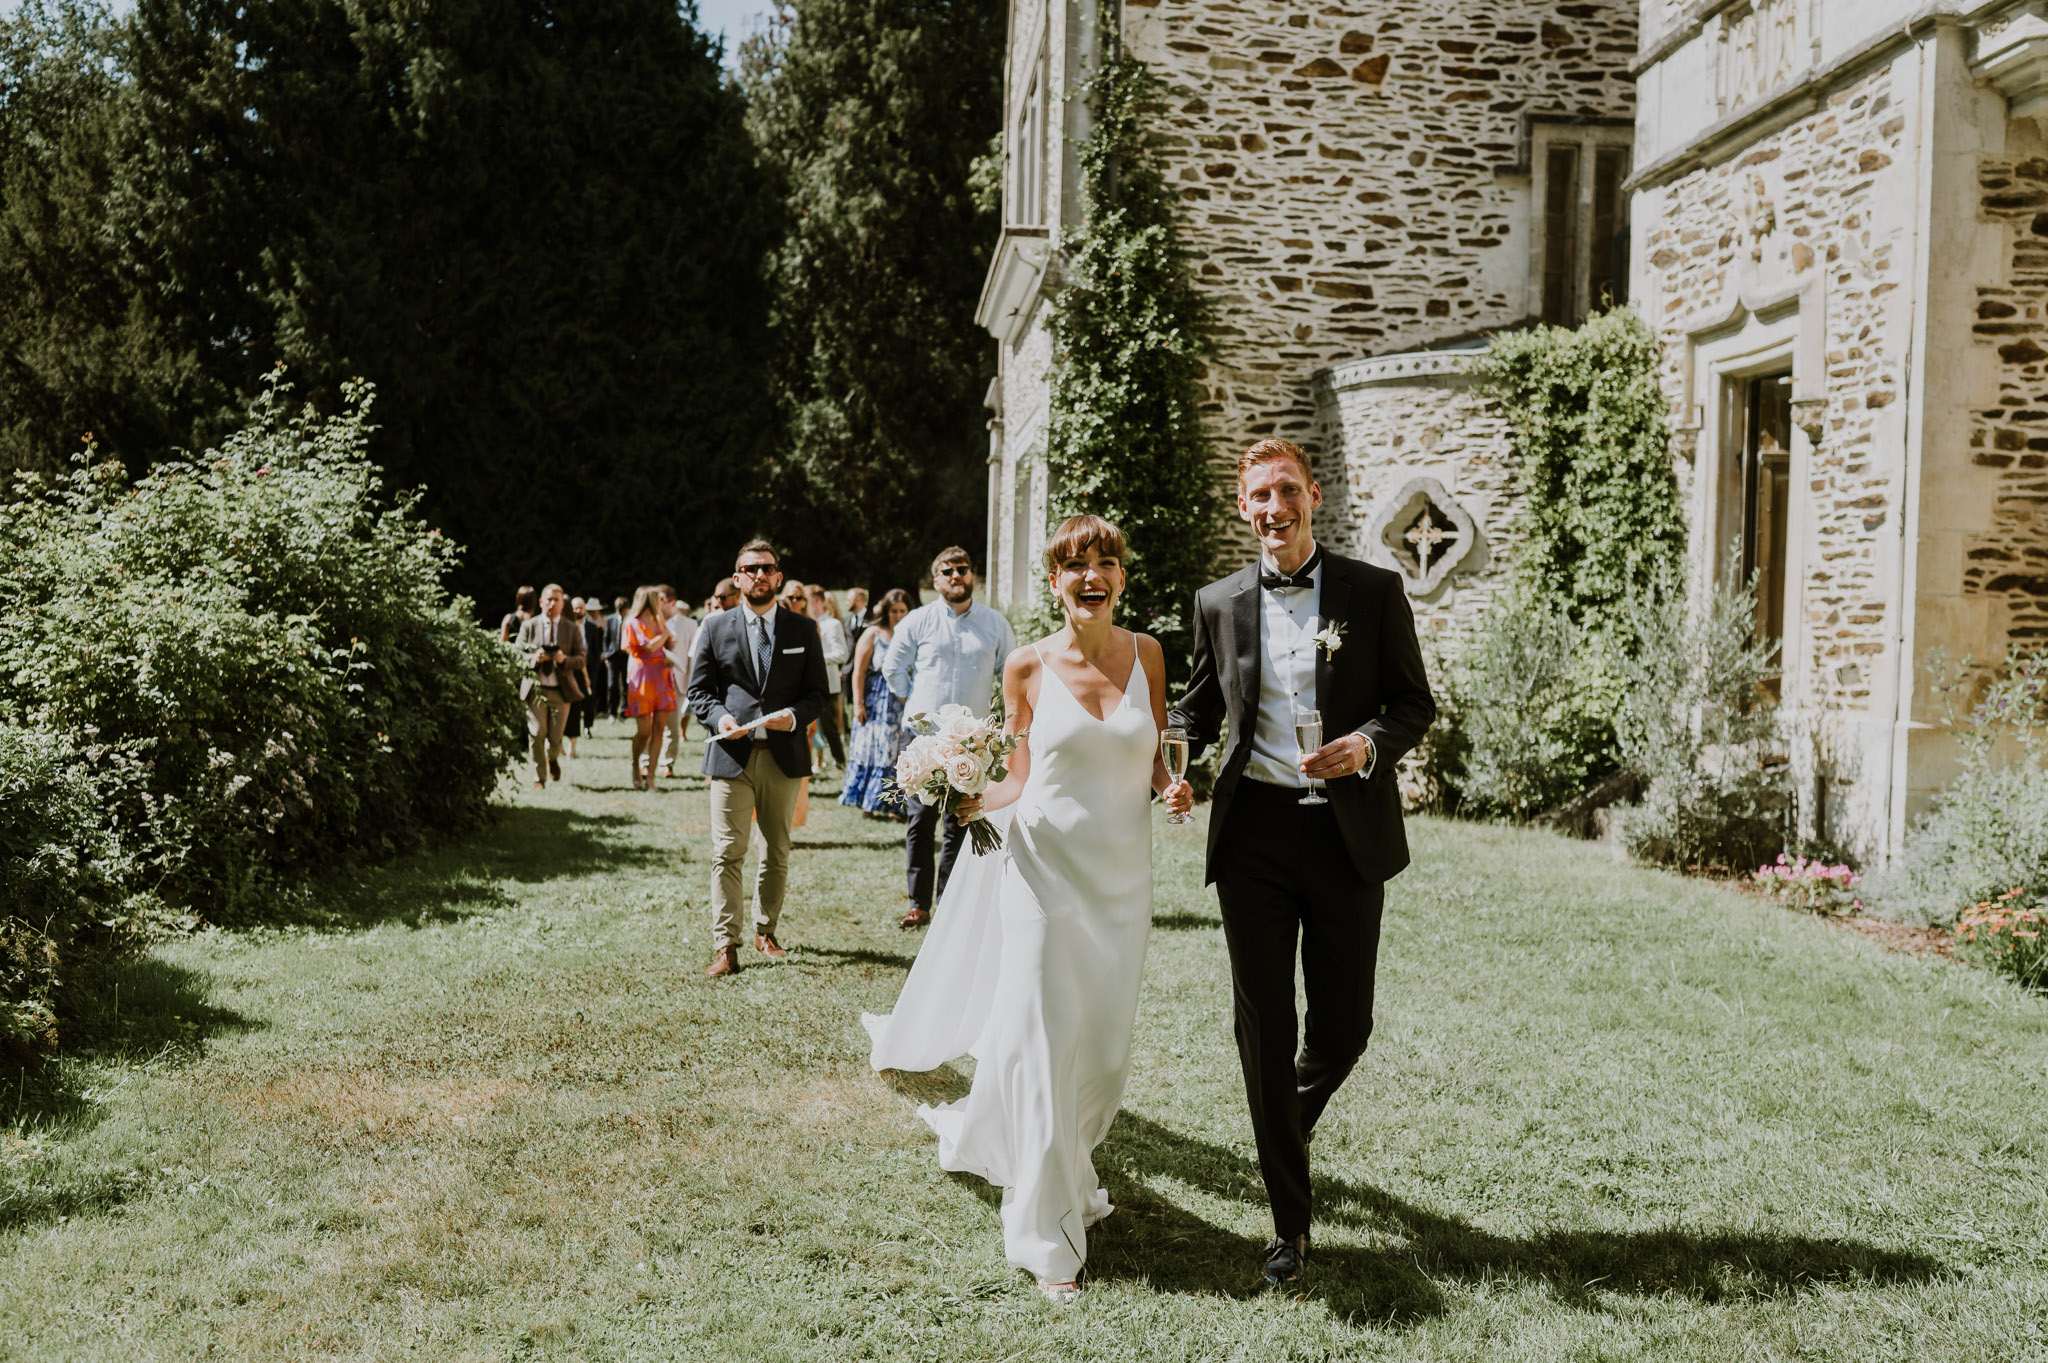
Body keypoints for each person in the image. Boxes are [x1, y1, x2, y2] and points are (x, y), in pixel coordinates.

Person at [863, 515, 1176, 1304]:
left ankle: (1062, 1166)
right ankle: (1047, 1238)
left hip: (1121, 888)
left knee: (1101, 1062)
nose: (1092, 575)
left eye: (1107, 561)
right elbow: (1020, 778)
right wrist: (968, 796)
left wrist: (1174, 787)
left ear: (1122, 577)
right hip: (1042, 880)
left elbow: (1154, 760)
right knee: (1046, 1047)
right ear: (1054, 581)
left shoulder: (1150, 656)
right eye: (1077, 565)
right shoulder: (1027, 665)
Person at [1168, 437, 1436, 1291]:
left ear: (1313, 496)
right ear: (1241, 507)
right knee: (1263, 1026)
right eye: (1258, 496)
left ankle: (1285, 1120)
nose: (1272, 508)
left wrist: (1365, 745)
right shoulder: (1218, 600)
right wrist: (1176, 765)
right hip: (1253, 836)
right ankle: (1289, 1225)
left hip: (1345, 834)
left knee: (1345, 1025)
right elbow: (1200, 707)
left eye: (1286, 490)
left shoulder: (1375, 589)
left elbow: (1412, 703)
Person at [687, 539, 829, 979]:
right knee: (727, 851)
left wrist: (794, 716)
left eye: (766, 568)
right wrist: (721, 717)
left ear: (779, 577)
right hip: (732, 755)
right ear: (737, 577)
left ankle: (766, 931)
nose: (759, 575)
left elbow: (818, 695)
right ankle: (725, 945)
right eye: (750, 569)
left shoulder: (803, 630)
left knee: (777, 850)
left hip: (784, 756)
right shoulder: (714, 627)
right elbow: (698, 692)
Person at [884, 548, 1016, 928]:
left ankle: (949, 902)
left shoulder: (994, 624)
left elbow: (1011, 672)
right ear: (935, 579)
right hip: (923, 739)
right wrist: (916, 704)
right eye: (948, 571)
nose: (956, 576)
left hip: (970, 741)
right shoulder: (918, 621)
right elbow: (893, 667)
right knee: (919, 820)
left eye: (963, 569)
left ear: (972, 575)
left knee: (961, 820)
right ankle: (918, 903)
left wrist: (992, 722)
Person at [839, 589, 910, 816]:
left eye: (903, 611)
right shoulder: (873, 633)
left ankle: (894, 806)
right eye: (894, 611)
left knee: (898, 751)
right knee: (874, 749)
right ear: (886, 612)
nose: (898, 615)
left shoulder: (911, 634)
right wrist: (858, 703)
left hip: (902, 699)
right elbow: (858, 672)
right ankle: (869, 802)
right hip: (876, 700)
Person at [516, 584, 586, 789]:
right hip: (536, 689)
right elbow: (516, 653)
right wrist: (533, 658)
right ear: (540, 602)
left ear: (563, 603)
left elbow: (582, 659)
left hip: (561, 691)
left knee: (555, 739)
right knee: (537, 732)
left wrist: (564, 659)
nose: (552, 603)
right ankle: (540, 777)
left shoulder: (571, 628)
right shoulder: (529, 626)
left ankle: (553, 758)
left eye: (557, 599)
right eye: (549, 599)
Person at [621, 585, 676, 791]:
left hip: (661, 676)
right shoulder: (632, 623)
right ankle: (636, 766)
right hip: (642, 676)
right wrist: (664, 635)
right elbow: (648, 646)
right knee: (644, 731)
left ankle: (651, 777)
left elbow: (671, 641)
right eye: (658, 600)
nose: (661, 603)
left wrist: (663, 628)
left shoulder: (659, 621)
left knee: (659, 728)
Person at [807, 584, 850, 771]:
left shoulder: (832, 624)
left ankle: (840, 762)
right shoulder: (805, 623)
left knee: (829, 727)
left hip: (826, 684)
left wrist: (815, 659)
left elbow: (842, 654)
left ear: (817, 602)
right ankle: (813, 762)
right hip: (806, 684)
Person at [657, 585, 698, 779]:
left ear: (671, 603)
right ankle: (646, 762)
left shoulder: (689, 625)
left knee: (672, 726)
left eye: (661, 600)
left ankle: (667, 763)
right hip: (652, 681)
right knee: (649, 725)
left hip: (677, 681)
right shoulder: (650, 623)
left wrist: (691, 685)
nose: (657, 604)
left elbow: (692, 657)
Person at [562, 597, 590, 756]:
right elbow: (582, 657)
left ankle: (561, 746)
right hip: (575, 673)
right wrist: (586, 678)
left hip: (563, 672)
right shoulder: (574, 628)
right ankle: (571, 748)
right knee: (574, 712)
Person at [582, 598, 611, 738]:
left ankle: (589, 723)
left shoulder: (601, 622)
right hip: (580, 661)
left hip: (594, 661)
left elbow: (602, 643)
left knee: (592, 692)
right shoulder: (581, 622)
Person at [605, 596, 629, 718]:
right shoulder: (610, 620)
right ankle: (612, 712)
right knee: (612, 685)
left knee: (626, 684)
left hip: (626, 656)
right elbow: (606, 638)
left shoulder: (630, 621)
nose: (620, 611)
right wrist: (605, 654)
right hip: (613, 656)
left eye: (622, 608)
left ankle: (624, 710)